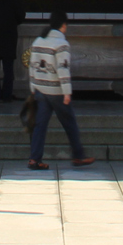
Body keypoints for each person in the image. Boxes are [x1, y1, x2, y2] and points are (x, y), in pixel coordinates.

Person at [27, 10, 95, 170]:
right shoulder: (61, 44)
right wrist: (67, 92)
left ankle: (34, 159)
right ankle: (78, 156)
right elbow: (63, 69)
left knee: (39, 125)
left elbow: (32, 66)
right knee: (69, 123)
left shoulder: (38, 41)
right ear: (63, 25)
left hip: (40, 90)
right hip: (56, 92)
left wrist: (33, 87)